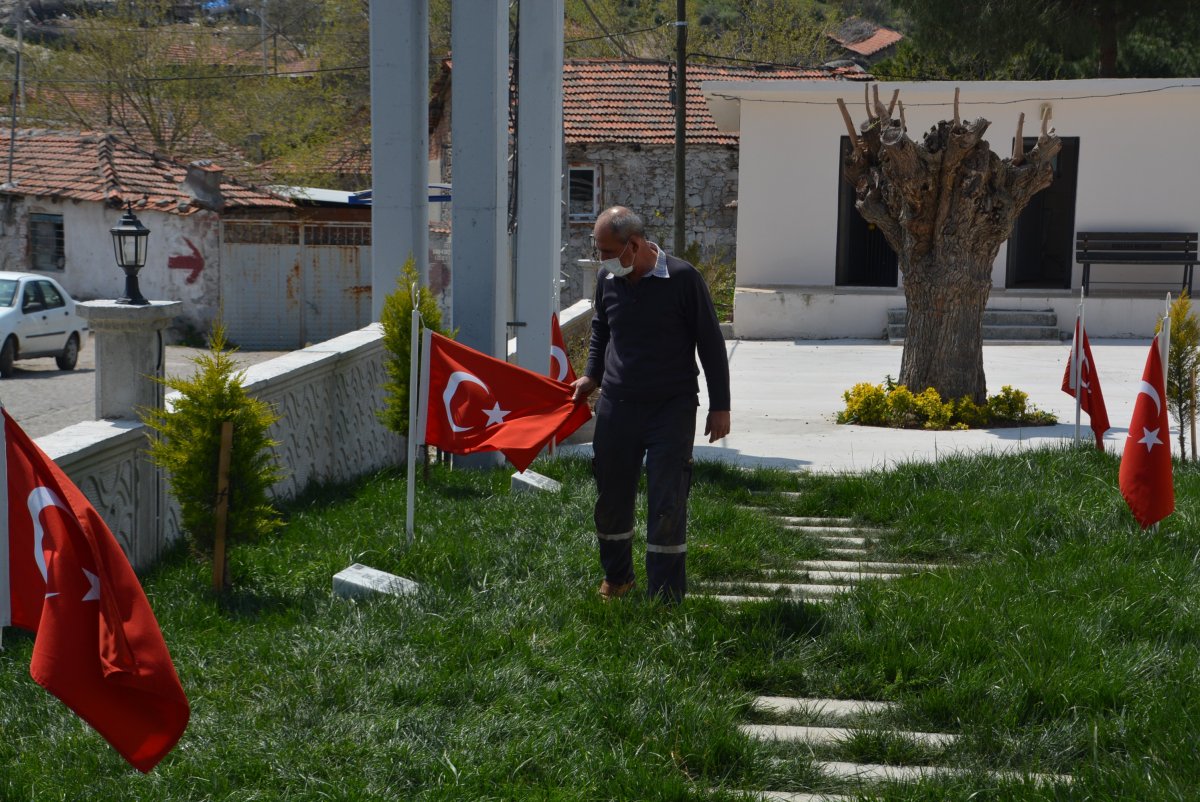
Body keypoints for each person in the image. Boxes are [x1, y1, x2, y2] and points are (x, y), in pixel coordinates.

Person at [571, 206, 731, 603]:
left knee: (667, 501)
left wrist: (720, 406)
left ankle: (665, 594)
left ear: (635, 245)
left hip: (671, 408)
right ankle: (618, 578)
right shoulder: (609, 278)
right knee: (611, 497)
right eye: (598, 250)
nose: (602, 259)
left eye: (607, 250)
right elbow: (601, 330)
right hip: (617, 406)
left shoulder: (683, 279)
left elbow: (711, 344)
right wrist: (591, 376)